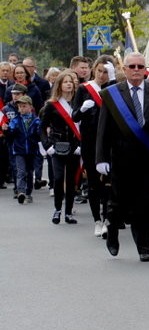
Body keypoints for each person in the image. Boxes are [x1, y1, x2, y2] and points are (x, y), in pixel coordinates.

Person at [96, 53, 149, 262]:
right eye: (132, 66)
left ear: (145, 69)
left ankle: (144, 247)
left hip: (147, 160)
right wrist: (101, 158)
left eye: (140, 66)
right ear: (124, 69)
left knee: (145, 204)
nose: (136, 70)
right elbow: (103, 129)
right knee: (117, 204)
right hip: (120, 160)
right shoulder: (112, 94)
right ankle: (112, 230)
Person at [73, 59, 112, 236]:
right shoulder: (84, 89)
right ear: (94, 70)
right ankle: (97, 220)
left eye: (106, 72)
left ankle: (107, 219)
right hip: (90, 142)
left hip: (109, 142)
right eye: (99, 71)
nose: (102, 75)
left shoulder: (113, 89)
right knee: (94, 183)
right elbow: (75, 116)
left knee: (109, 183)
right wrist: (82, 109)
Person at [40, 71, 82, 225]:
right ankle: (57, 209)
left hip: (74, 147)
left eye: (70, 81)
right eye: (65, 82)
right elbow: (42, 127)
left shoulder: (78, 103)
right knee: (58, 178)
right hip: (56, 146)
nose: (69, 84)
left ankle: (68, 212)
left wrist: (80, 145)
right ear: (59, 85)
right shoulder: (51, 105)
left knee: (71, 181)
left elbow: (84, 127)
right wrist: (47, 146)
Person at [3, 95, 40, 203]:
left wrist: (41, 132)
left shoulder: (36, 120)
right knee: (21, 171)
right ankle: (21, 192)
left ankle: (28, 193)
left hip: (32, 150)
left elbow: (39, 134)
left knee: (29, 172)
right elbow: (10, 134)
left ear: (30, 107)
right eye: (20, 107)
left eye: (24, 106)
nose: (22, 109)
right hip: (19, 150)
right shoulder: (15, 120)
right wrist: (6, 130)